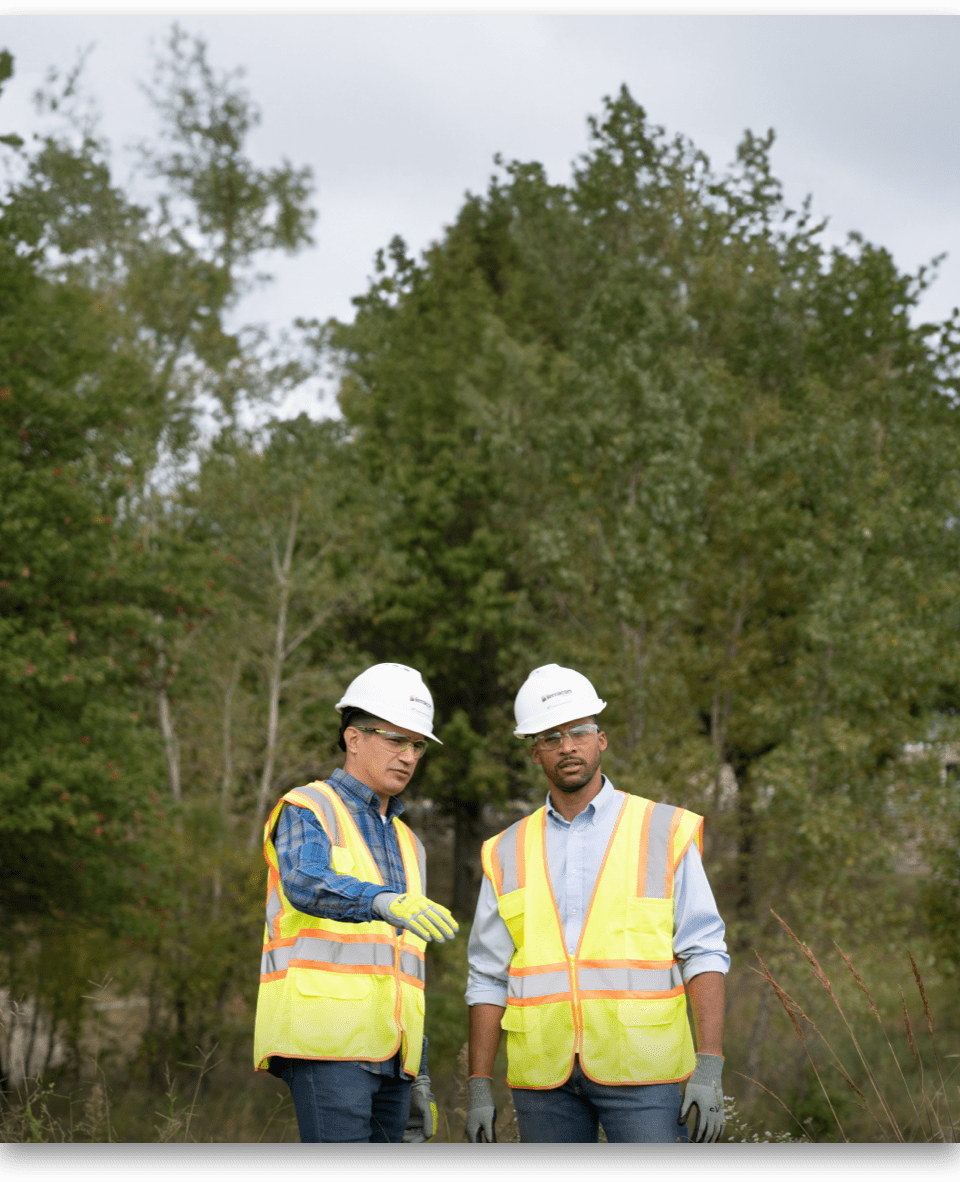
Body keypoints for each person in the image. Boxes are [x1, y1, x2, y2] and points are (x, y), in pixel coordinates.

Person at [465, 664, 729, 1145]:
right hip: (544, 1078)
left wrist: (709, 1065)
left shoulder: (661, 829)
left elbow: (704, 950)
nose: (567, 746)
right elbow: (487, 974)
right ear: (535, 753)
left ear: (600, 740)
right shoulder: (504, 850)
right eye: (551, 737)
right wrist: (479, 1086)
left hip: (647, 1072)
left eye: (579, 732)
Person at [253, 662, 459, 1144]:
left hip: (393, 1058)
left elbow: (407, 970)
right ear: (353, 739)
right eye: (395, 740)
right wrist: (380, 900)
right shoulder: (309, 807)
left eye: (417, 745)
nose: (408, 756)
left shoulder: (411, 844)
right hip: (327, 1044)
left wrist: (419, 1070)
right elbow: (305, 879)